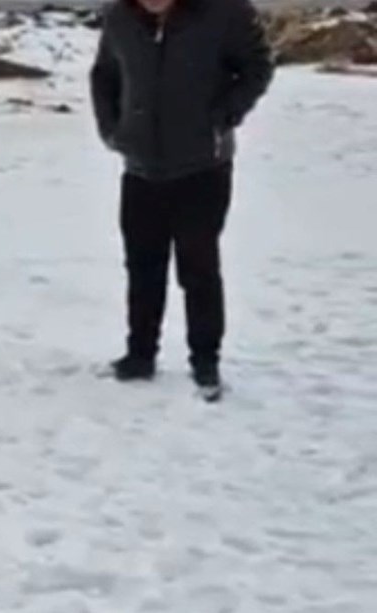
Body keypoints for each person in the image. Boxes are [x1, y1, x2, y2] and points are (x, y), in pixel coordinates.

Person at [89, 0, 274, 390]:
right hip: (140, 167)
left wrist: (222, 118)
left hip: (202, 167)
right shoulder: (119, 16)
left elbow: (258, 67)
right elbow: (104, 75)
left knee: (199, 268)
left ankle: (205, 360)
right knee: (142, 268)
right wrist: (113, 129)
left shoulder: (225, 12)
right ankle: (140, 355)